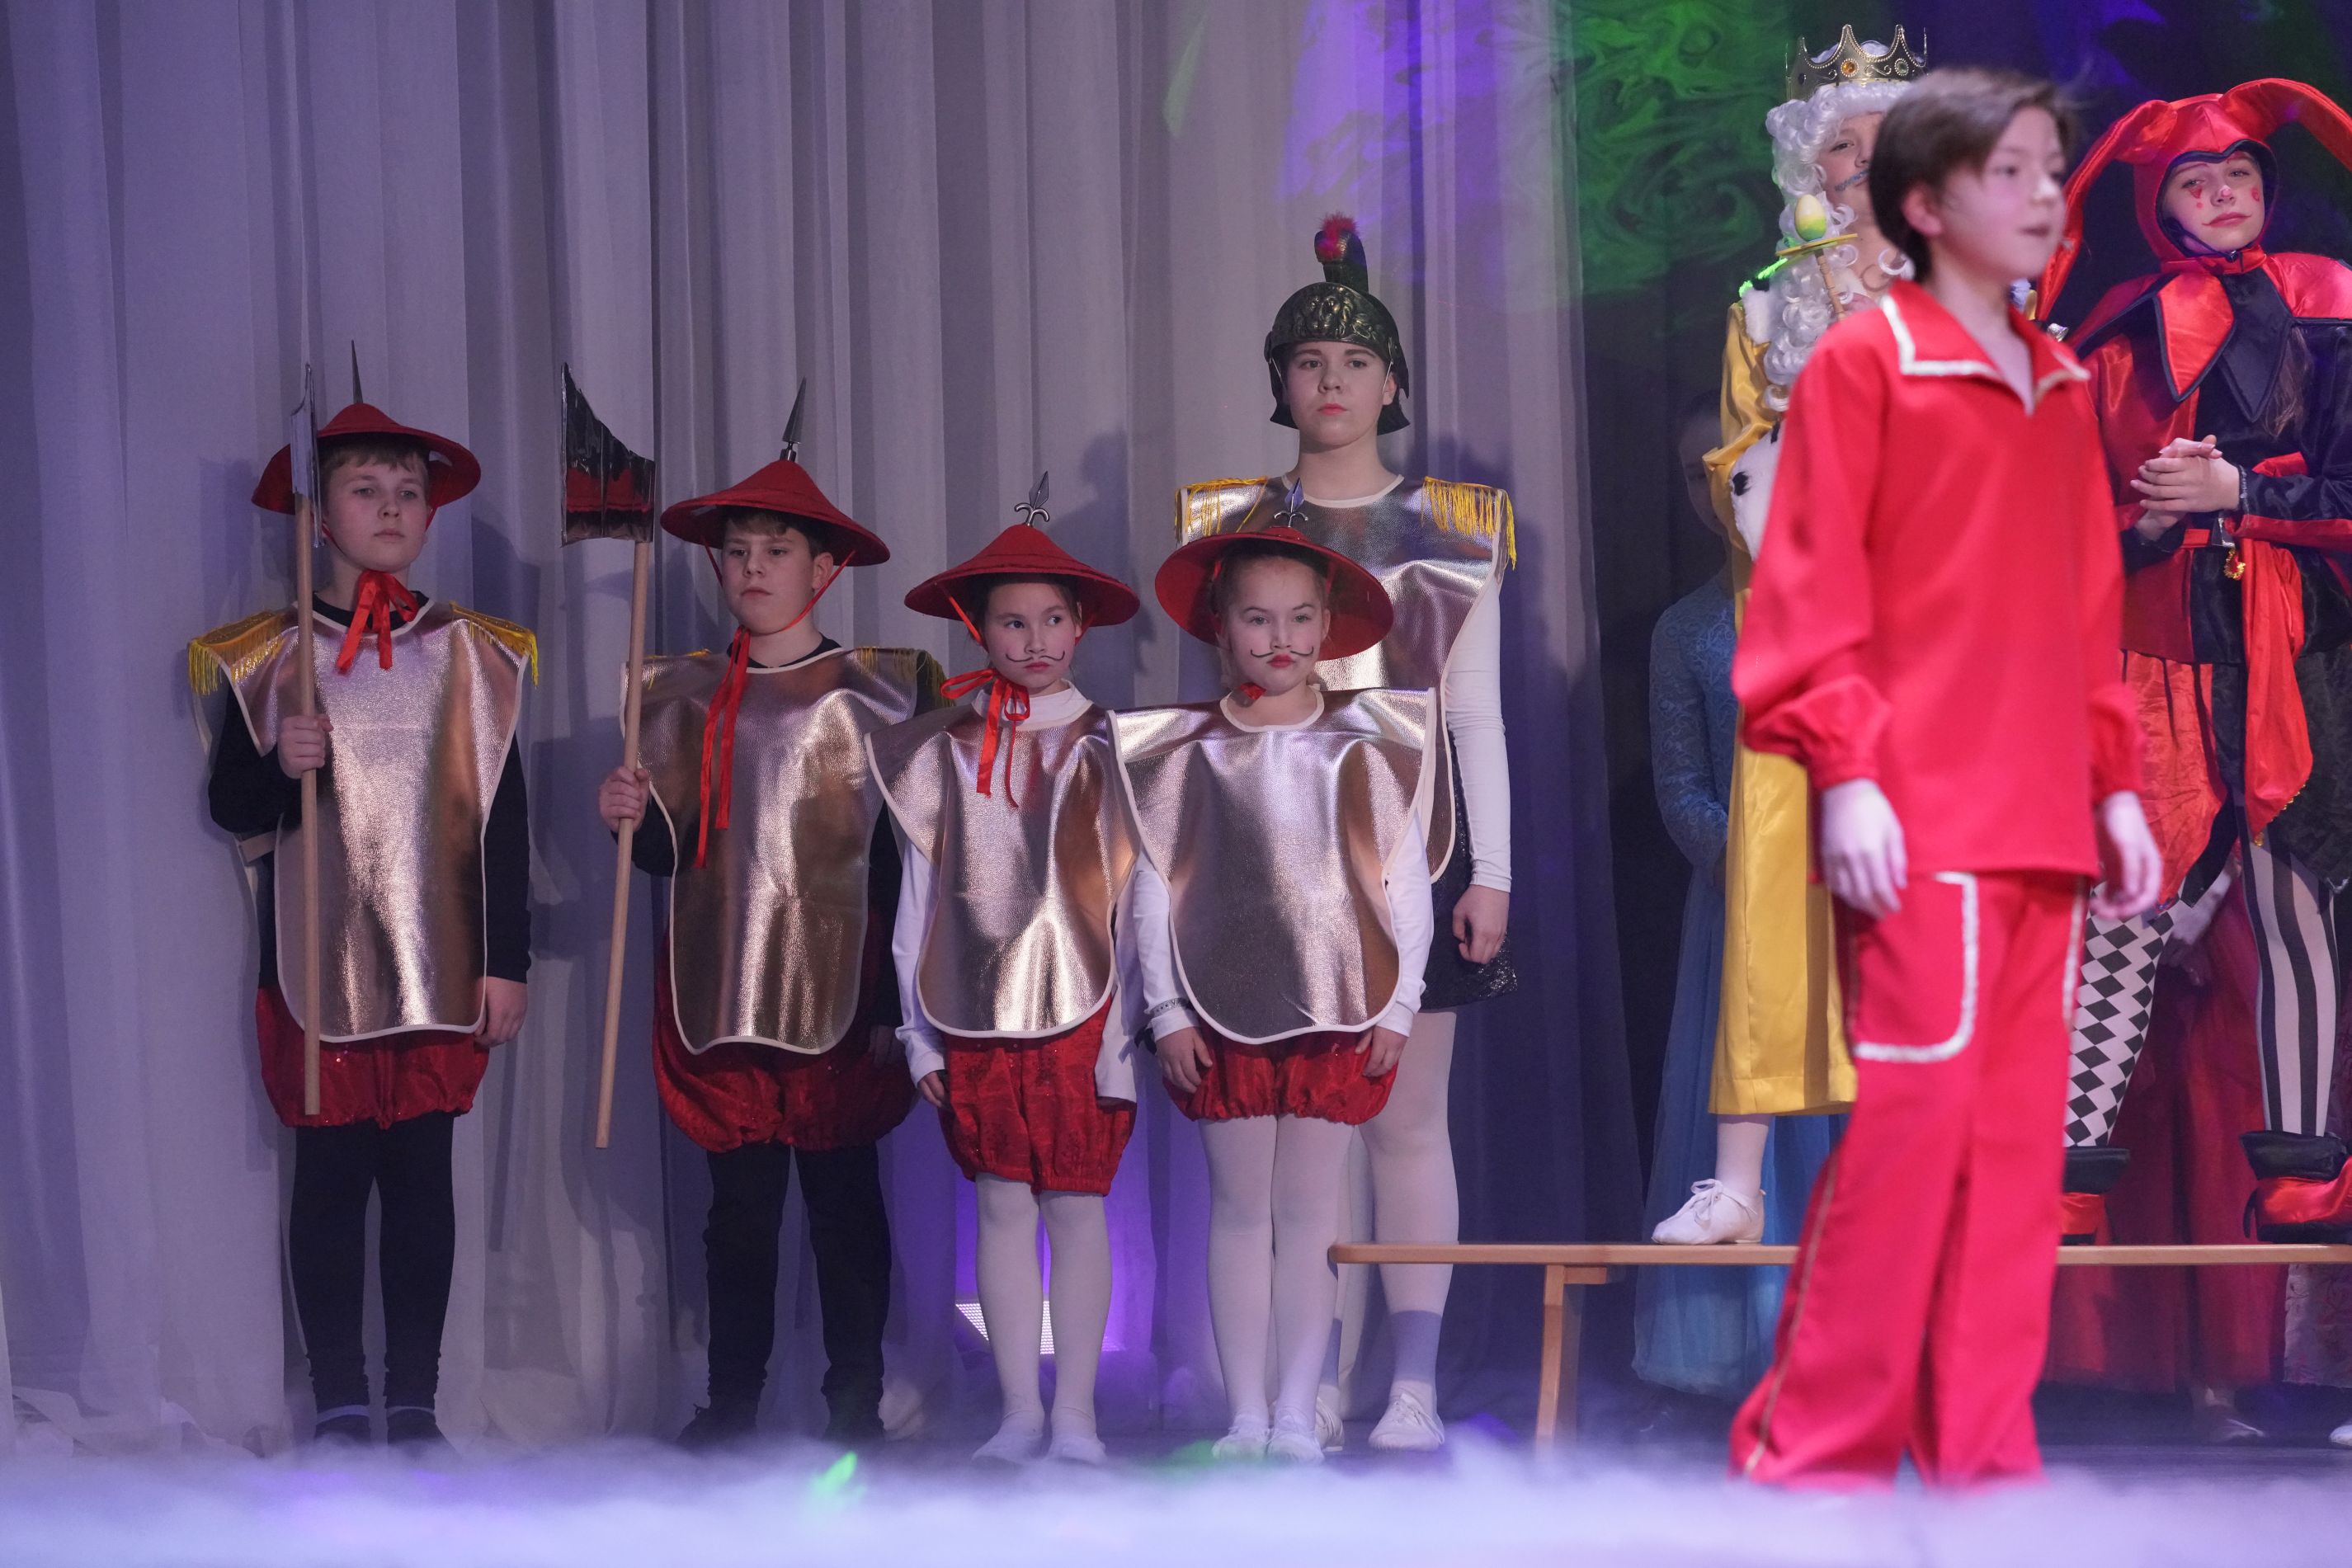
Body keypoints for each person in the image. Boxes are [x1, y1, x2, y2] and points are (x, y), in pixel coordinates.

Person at [1727, 68, 2161, 1487]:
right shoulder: (1869, 363)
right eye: (2008, 171)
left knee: (2016, 1157)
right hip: (1923, 812)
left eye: (2049, 170)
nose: (2042, 196)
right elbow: (1809, 583)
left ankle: (1980, 1456)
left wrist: (2112, 784)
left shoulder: (2059, 380)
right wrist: (1845, 766)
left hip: (2040, 820)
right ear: (1922, 203)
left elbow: (2082, 600)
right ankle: (1815, 1452)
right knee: (1911, 1137)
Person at [1175, 214, 1506, 1452]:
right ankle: (1305, 1381)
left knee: (1403, 1123)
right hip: (1267, 876)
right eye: (1309, 361)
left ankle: (1409, 1383)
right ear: (1278, 379)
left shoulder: (1452, 528)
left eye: (1355, 362)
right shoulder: (1230, 525)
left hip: (1417, 855)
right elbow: (1209, 732)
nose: (1331, 382)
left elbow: (1472, 714)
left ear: (1390, 382)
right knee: (1295, 1150)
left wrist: (1494, 873)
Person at [2033, 79, 2352, 1244]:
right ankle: (2067, 1172)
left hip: (2293, 650)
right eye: (2196, 181)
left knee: (2292, 898)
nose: (2223, 195)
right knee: (2124, 902)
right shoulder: (2118, 333)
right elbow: (2062, 513)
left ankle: (2302, 1177)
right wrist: (2152, 519)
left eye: (2240, 176)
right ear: (2156, 205)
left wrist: (2239, 493)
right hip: (2155, 645)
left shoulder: (2330, 307)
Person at [193, 397, 532, 1448]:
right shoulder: (270, 654)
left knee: (422, 1179)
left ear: (429, 513)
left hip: (439, 961)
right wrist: (276, 763)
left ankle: (416, 1395)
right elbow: (234, 807)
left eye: (408, 491)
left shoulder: (472, 653)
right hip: (318, 962)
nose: (390, 506)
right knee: (332, 1179)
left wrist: (508, 960)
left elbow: (500, 815)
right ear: (319, 516)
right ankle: (341, 1394)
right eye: (365, 488)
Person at [596, 443, 942, 1448]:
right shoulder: (681, 692)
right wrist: (628, 817)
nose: (752, 567)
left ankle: (854, 1400)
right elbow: (667, 851)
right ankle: (733, 1399)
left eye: (776, 550)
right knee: (738, 1211)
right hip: (723, 982)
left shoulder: (879, 691)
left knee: (843, 1201)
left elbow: (904, 854)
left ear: (823, 567)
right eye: (737, 551)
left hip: (841, 983)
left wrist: (893, 1002)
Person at [1659, 24, 1921, 1247]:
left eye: (1884, 144)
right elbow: (1734, 462)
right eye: (1841, 148)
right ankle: (1738, 1179)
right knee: (1776, 891)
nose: (1861, 165)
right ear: (1809, 170)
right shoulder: (1765, 306)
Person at [1115, 521, 1433, 1464]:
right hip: (1219, 1014)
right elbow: (1153, 884)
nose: (1280, 637)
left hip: (1339, 1009)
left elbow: (1403, 880)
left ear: (1327, 623)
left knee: (1308, 1214)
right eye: (1257, 618)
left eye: (1299, 617)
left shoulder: (1366, 739)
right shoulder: (1184, 748)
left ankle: (1298, 1407)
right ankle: (1245, 1411)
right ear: (1221, 625)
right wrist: (1165, 1010)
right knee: (1237, 1210)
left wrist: (1400, 1003)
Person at [866, 492, 1143, 1463]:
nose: (1036, 639)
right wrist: (917, 1034)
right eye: (1013, 622)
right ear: (977, 629)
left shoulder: (1112, 744)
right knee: (999, 1203)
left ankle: (1077, 1414)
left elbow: (1133, 898)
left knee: (1076, 1204)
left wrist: (1123, 1035)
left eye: (1053, 618)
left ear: (1081, 624)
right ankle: (1020, 1408)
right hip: (974, 1014)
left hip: (1082, 1013)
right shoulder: (940, 747)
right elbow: (919, 898)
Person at [1633, 398, 1839, 1400]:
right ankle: (1736, 1355)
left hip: (1847, 899)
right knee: (1746, 1102)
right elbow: (1681, 788)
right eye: (1697, 476)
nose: (1718, 491)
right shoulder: (1688, 629)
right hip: (1742, 904)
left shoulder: (1849, 603)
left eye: (1734, 467)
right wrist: (1758, 869)